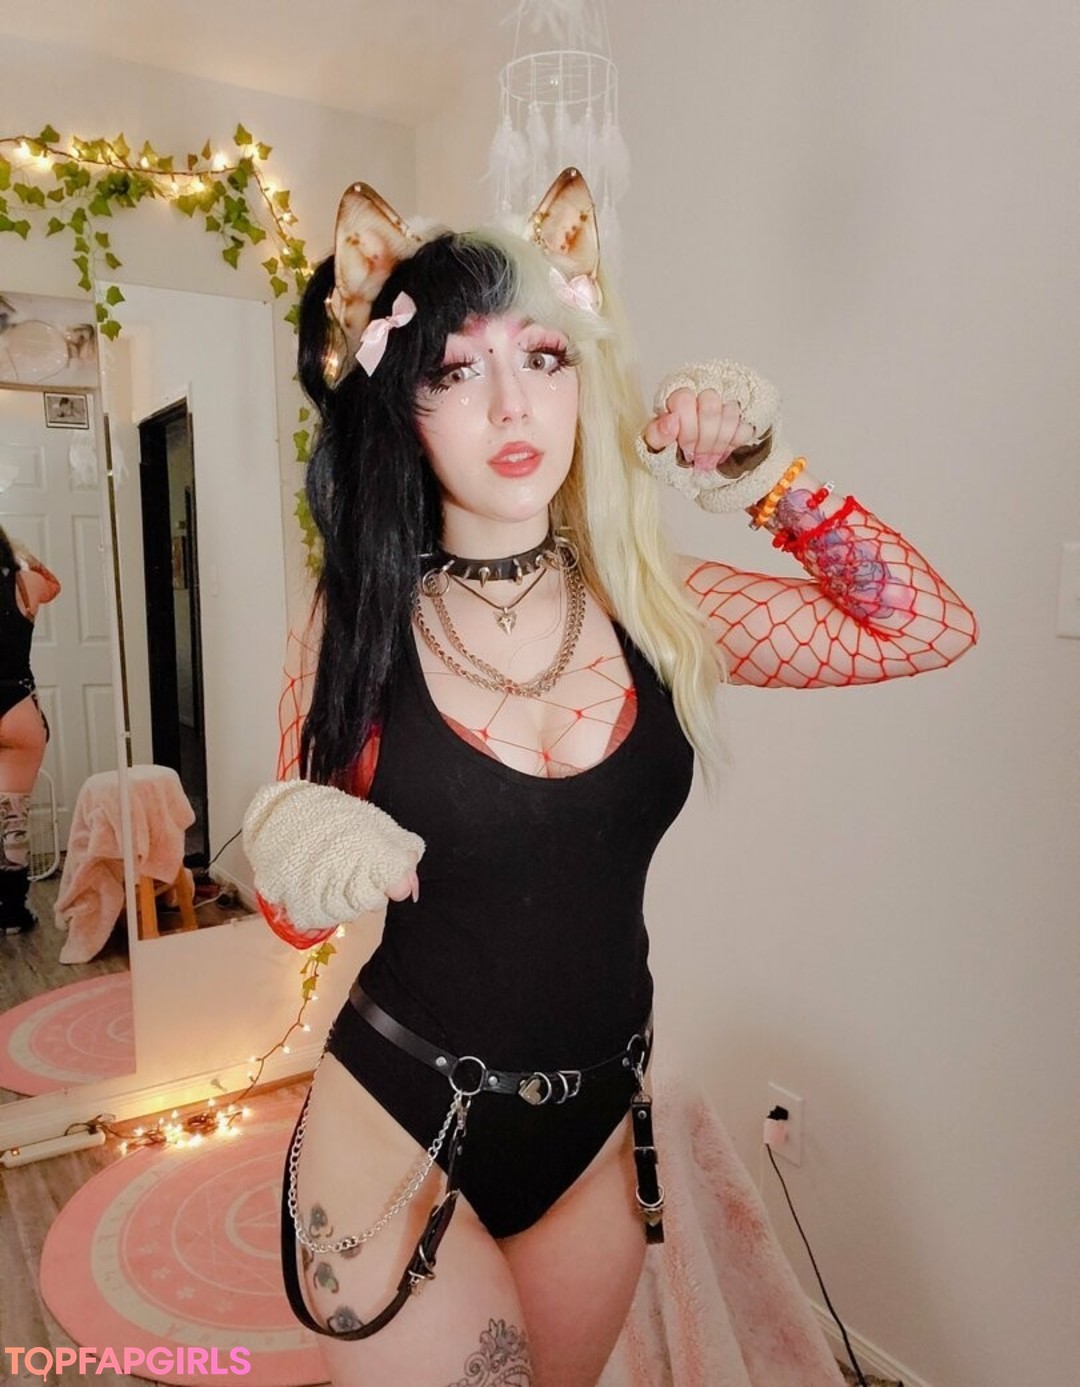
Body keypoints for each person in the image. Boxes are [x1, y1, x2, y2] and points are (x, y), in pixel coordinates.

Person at [242, 169, 977, 1387]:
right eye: (455, 371)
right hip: (399, 1118)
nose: (512, 402)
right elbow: (291, 908)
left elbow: (924, 626)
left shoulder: (654, 607)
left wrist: (768, 479)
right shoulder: (357, 622)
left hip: (589, 1128)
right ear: (403, 406)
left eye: (542, 356)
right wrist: (290, 839)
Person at [0, 526, 60, 935]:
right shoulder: (26, 584)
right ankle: (12, 911)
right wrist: (23, 555)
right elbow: (54, 585)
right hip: (18, 709)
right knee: (13, 817)